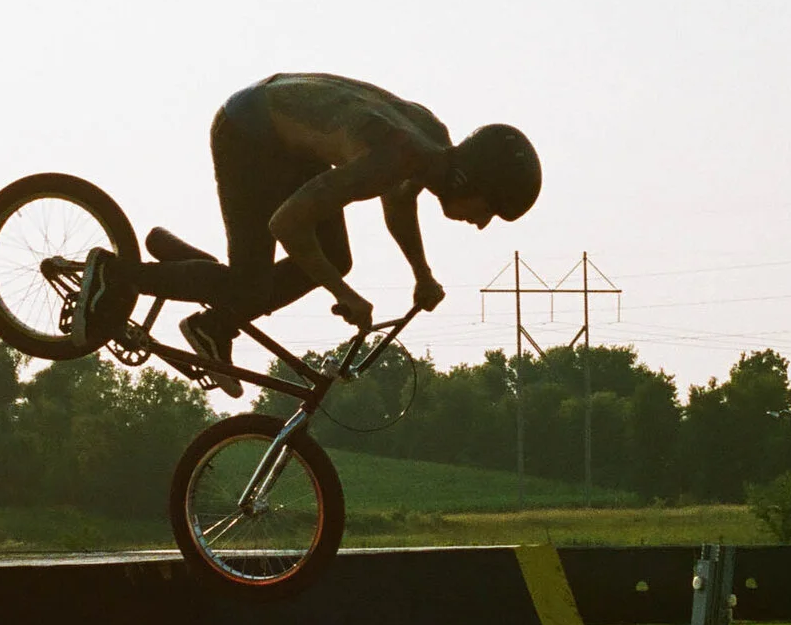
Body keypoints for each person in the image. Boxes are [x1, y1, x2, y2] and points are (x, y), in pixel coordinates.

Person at [81, 73, 540, 396]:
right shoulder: (392, 156)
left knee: (335, 257)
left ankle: (211, 310)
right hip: (250, 133)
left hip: (291, 137)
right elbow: (287, 224)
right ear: (469, 182)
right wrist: (345, 294)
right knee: (252, 284)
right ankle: (118, 277)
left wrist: (421, 273)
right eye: (490, 211)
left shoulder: (430, 140)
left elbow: (400, 203)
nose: (482, 224)